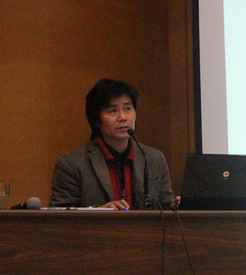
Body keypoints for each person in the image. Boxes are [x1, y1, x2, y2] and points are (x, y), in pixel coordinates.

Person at [49, 78, 180, 210]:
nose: (122, 117)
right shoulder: (72, 164)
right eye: (113, 111)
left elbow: (166, 207)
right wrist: (98, 212)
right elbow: (59, 214)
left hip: (143, 225)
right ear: (96, 120)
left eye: (128, 108)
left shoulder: (154, 159)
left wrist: (175, 206)